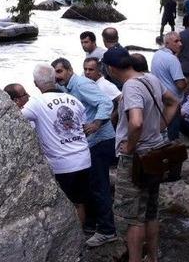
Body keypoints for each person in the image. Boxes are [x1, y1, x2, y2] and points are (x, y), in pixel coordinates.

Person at [103, 46, 180, 262]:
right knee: (151, 212)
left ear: (110, 69)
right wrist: (161, 126)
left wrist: (129, 147)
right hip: (156, 153)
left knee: (133, 218)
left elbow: (136, 122)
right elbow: (173, 101)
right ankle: (152, 258)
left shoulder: (130, 87)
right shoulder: (150, 78)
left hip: (137, 158)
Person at [51, 58, 117, 246]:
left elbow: (106, 103)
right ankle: (92, 223)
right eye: (55, 73)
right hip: (89, 143)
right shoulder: (65, 86)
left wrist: (96, 123)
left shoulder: (81, 84)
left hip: (101, 140)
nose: (57, 76)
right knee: (90, 185)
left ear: (70, 70)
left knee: (99, 186)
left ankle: (107, 230)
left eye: (60, 71)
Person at [18, 64, 92, 230]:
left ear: (36, 84)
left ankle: (68, 243)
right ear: (54, 79)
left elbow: (17, 118)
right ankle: (79, 239)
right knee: (79, 203)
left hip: (62, 165)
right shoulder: (73, 100)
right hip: (83, 159)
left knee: (63, 205)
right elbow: (83, 126)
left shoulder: (36, 102)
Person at [152, 32, 187, 140]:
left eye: (180, 40)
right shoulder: (172, 59)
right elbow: (180, 85)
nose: (180, 44)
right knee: (172, 132)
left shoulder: (157, 54)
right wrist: (186, 81)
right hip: (172, 101)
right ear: (167, 44)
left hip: (159, 97)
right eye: (176, 41)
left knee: (161, 128)